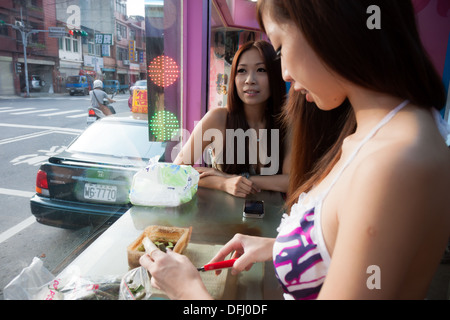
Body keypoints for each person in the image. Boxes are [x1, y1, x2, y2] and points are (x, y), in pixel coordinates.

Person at [140, 0, 450, 300]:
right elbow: (340, 246)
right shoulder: (377, 135)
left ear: (326, 25)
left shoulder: (390, 160)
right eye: (242, 71)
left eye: (279, 50)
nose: (285, 73)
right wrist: (280, 247)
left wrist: (188, 291)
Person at [173, 40, 290, 197]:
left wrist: (232, 178)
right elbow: (176, 171)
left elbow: (291, 181)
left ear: (275, 75)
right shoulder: (217, 119)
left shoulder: (287, 122)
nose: (250, 80)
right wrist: (222, 183)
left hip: (275, 218)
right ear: (234, 78)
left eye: (261, 69)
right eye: (242, 71)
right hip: (222, 218)